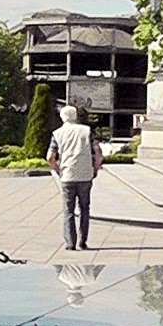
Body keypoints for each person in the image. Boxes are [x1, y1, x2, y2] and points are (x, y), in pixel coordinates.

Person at [46, 105, 103, 251]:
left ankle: (70, 243)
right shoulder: (87, 131)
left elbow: (50, 157)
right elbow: (98, 152)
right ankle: (83, 241)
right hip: (85, 174)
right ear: (76, 116)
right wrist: (95, 169)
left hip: (67, 174)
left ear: (62, 117)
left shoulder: (57, 133)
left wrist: (58, 170)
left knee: (68, 210)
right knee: (85, 208)